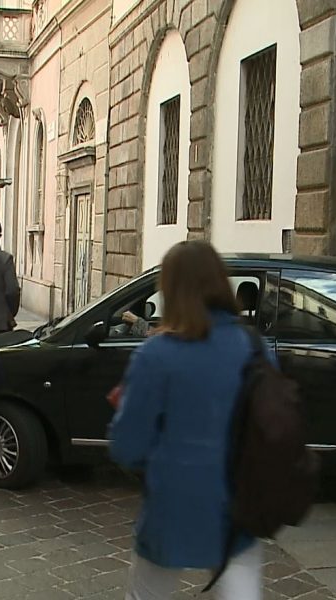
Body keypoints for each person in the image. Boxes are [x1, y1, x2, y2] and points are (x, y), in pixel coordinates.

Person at [109, 240, 268, 600]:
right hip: (240, 506)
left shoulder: (156, 355)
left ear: (170, 289)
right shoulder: (254, 347)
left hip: (172, 503)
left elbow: (127, 445)